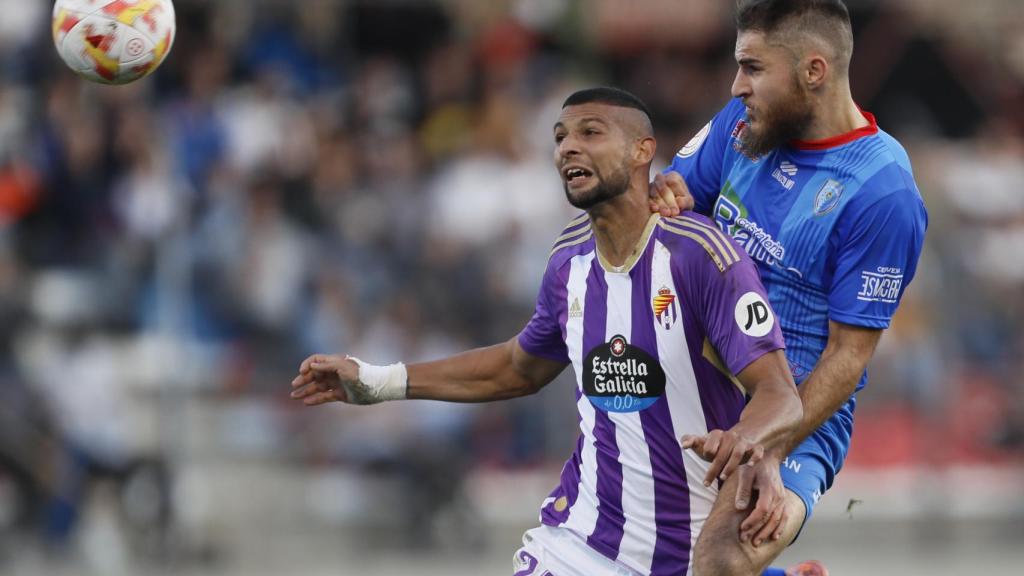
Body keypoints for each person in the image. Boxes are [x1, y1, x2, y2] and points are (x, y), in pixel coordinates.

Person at [291, 87, 804, 576]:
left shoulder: (700, 255)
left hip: (692, 552)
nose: (568, 148)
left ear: (642, 150)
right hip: (578, 542)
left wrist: (742, 438)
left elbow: (781, 395)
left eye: (590, 132)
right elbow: (518, 368)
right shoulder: (568, 260)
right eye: (560, 137)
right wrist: (377, 381)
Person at [649, 1, 929, 574]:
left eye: (753, 68)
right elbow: (676, 199)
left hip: (797, 414)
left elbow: (847, 358)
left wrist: (770, 446)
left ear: (813, 71)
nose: (736, 86)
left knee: (721, 562)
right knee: (630, 549)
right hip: (695, 383)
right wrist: (666, 196)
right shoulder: (741, 124)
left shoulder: (883, 192)